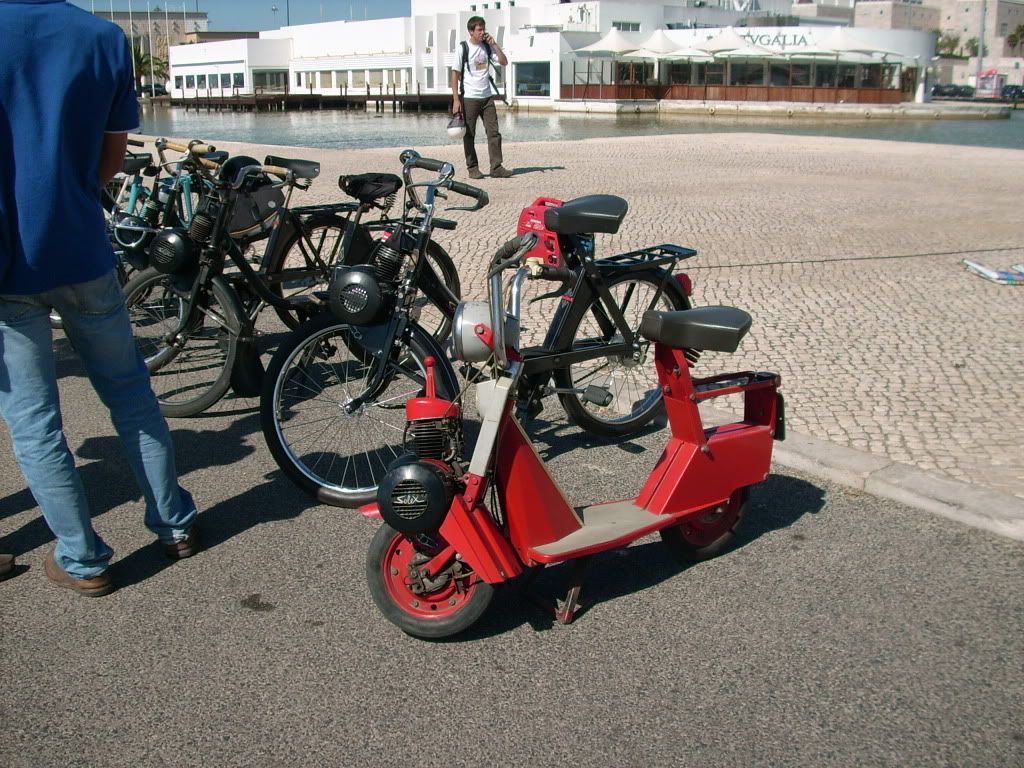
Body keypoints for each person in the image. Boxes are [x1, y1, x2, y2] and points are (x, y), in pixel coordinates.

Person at [0, 0, 198, 597]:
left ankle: (84, 558)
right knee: (131, 393)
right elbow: (111, 160)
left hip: (10, 264)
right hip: (82, 249)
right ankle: (175, 525)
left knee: (36, 422)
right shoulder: (103, 38)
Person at [450, 16, 513, 179]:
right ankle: (473, 168)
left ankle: (496, 167)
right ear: (471, 31)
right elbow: (455, 74)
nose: (482, 32)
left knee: (494, 133)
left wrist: (494, 44)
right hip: (469, 98)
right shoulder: (463, 48)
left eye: (483, 29)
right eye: (479, 29)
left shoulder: (487, 46)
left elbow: (504, 62)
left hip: (487, 97)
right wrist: (456, 100)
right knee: (469, 134)